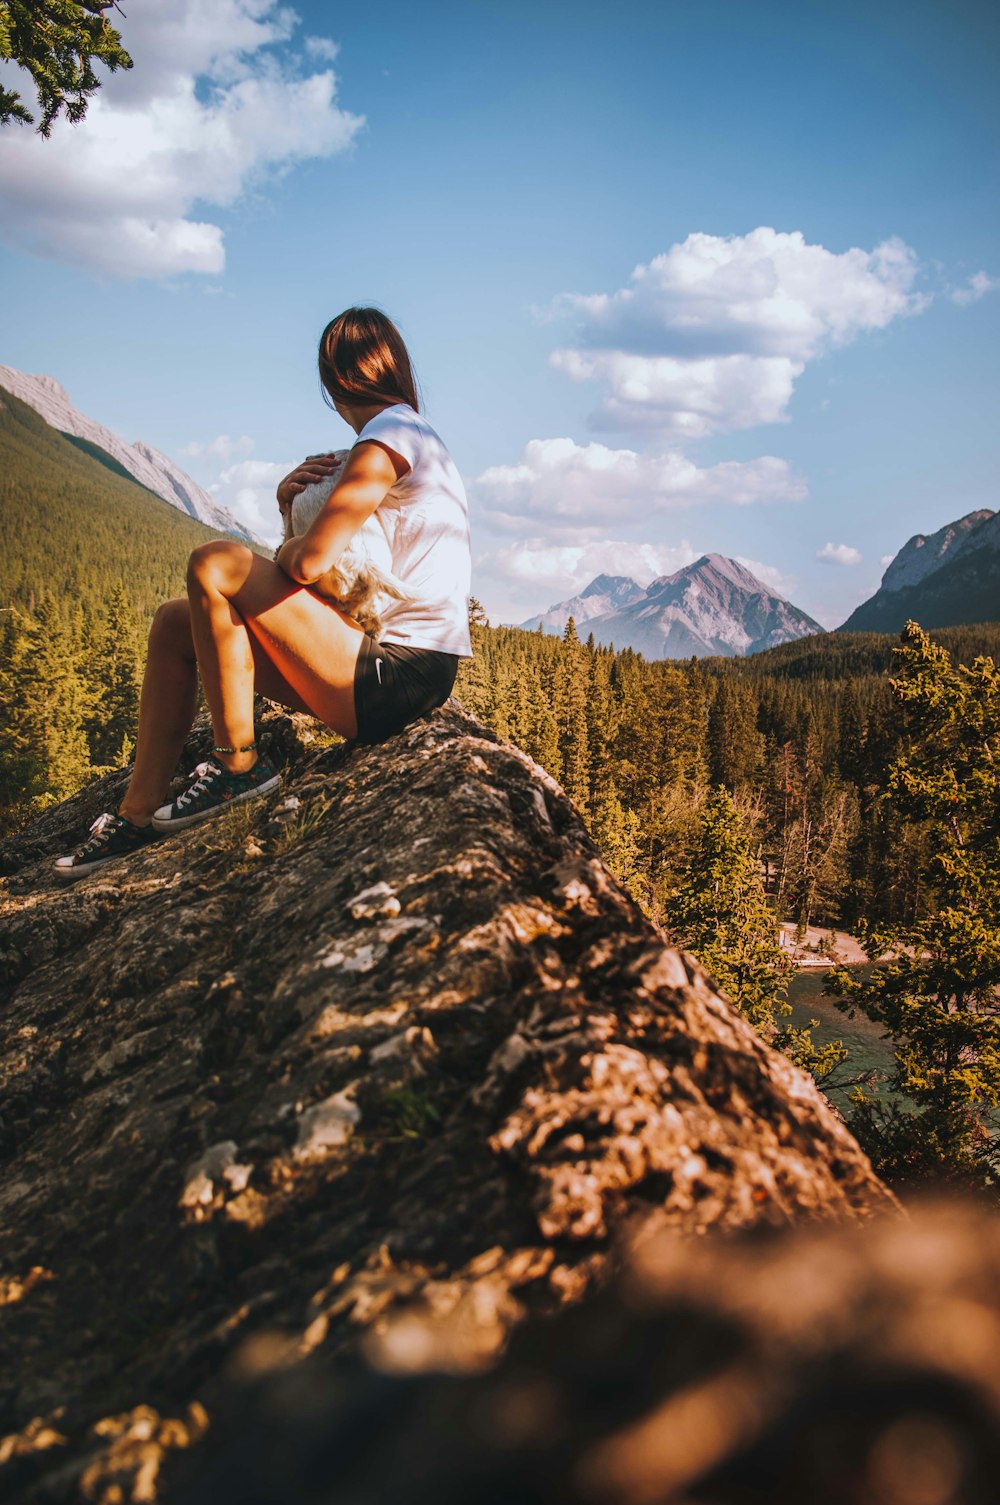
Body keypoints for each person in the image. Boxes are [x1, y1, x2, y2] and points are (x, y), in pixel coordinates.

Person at [54, 307, 473, 880]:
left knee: (214, 561)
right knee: (176, 624)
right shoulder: (413, 438)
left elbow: (311, 562)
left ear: (332, 383)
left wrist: (286, 545)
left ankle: (239, 767)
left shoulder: (390, 435)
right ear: (396, 365)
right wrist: (286, 510)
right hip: (390, 668)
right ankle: (137, 814)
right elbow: (328, 578)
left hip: (396, 673)